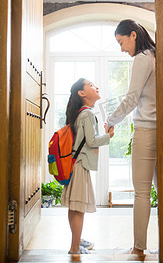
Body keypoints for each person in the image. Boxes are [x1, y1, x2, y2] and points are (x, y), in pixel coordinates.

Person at [105, 19, 157, 256]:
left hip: (146, 131)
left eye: (121, 41)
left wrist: (110, 121)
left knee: (142, 193)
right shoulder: (157, 55)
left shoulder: (142, 58)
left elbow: (131, 99)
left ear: (133, 35)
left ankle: (138, 248)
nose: (122, 48)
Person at [61, 78, 114, 254]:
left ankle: (77, 240)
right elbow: (92, 141)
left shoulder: (79, 113)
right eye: (91, 85)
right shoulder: (88, 114)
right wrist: (108, 136)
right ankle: (74, 247)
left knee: (74, 206)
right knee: (79, 208)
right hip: (81, 166)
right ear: (82, 93)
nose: (96, 86)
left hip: (74, 164)